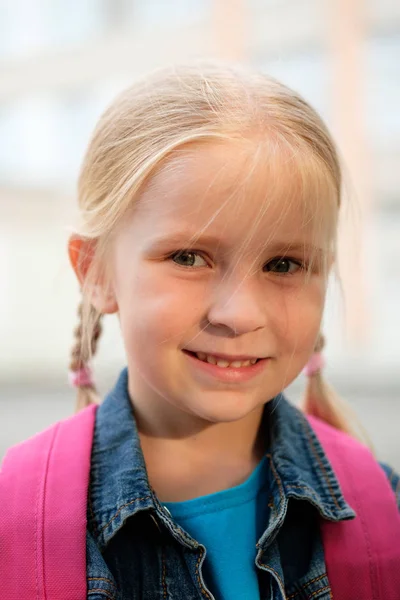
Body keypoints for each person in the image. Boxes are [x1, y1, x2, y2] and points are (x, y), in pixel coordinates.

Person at [2, 62, 400, 600]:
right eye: (189, 257)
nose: (239, 314)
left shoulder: (383, 513)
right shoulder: (15, 526)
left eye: (283, 264)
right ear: (96, 271)